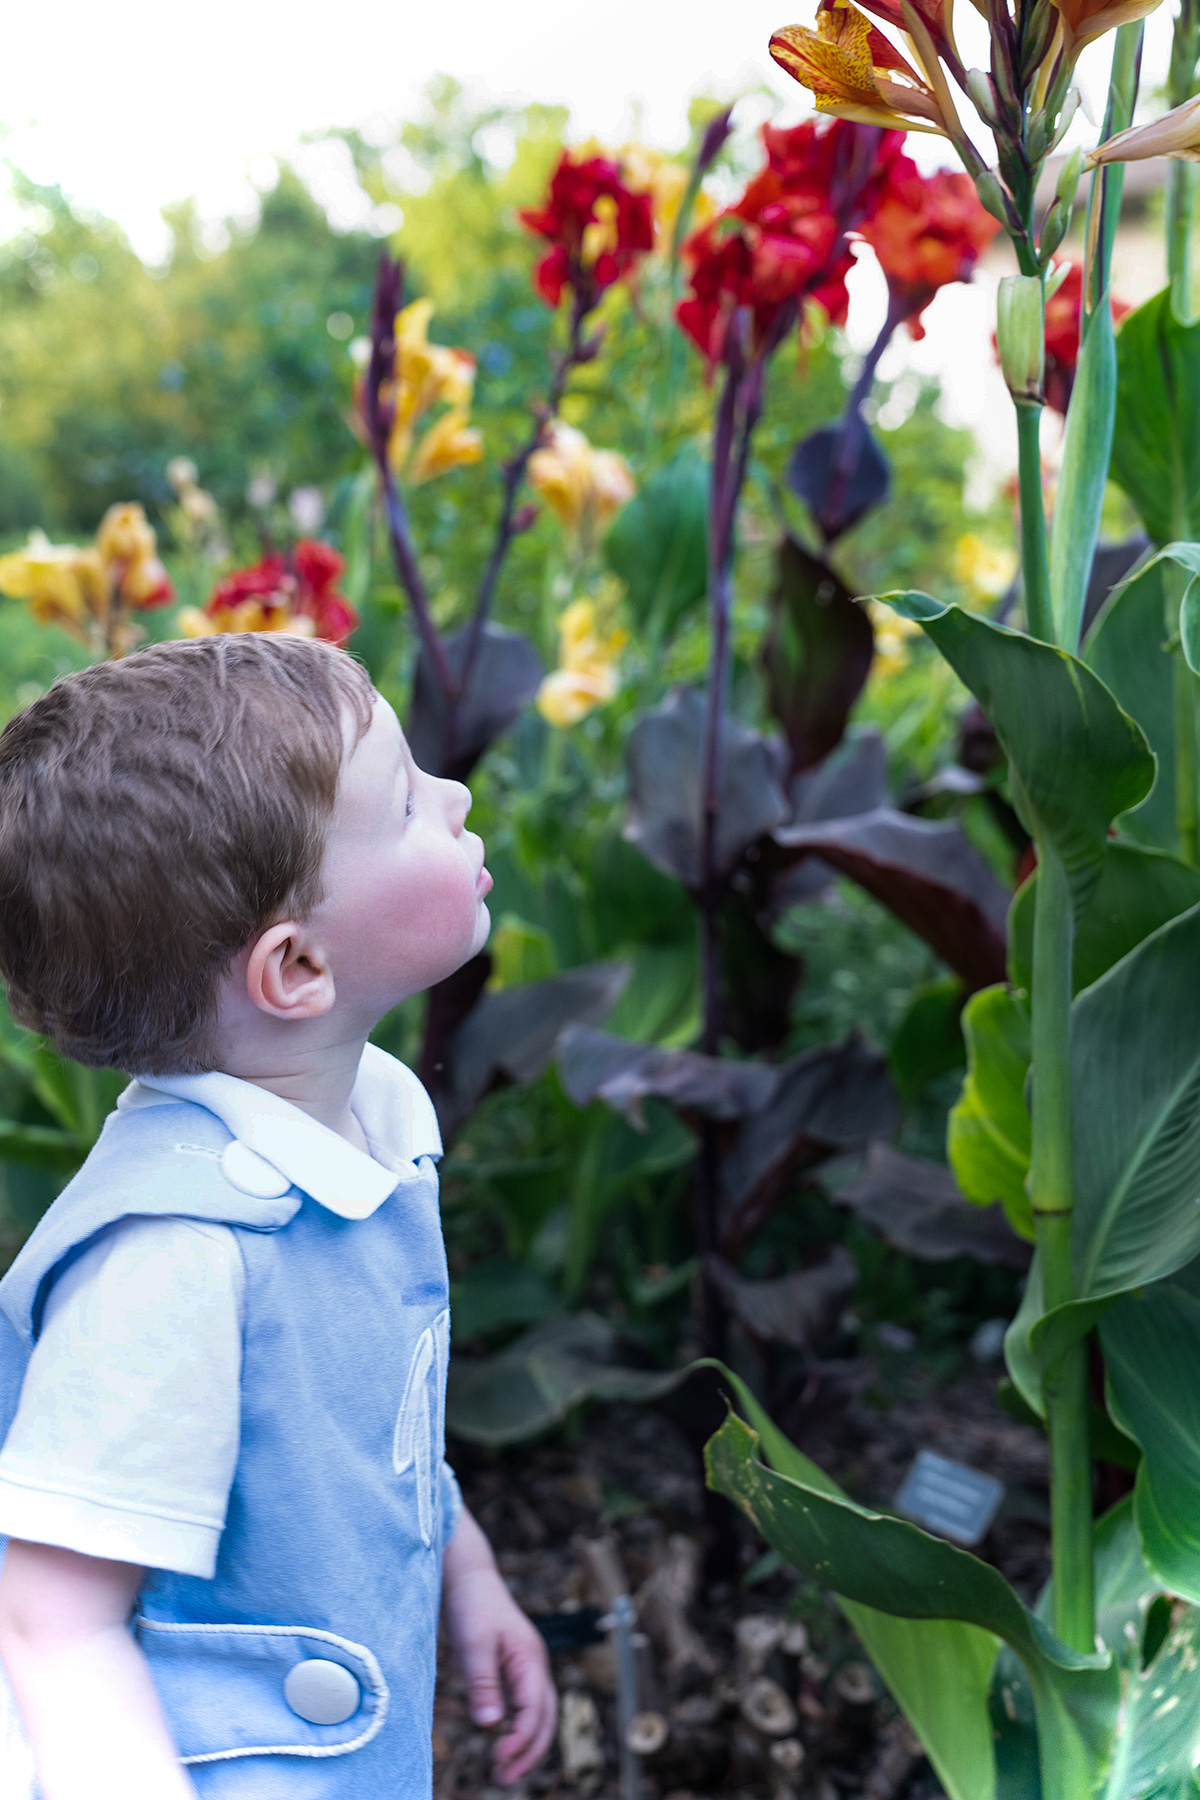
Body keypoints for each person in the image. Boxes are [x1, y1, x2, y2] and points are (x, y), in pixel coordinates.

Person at [0, 633, 556, 1798]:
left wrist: (465, 1571)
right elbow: (52, 1622)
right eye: (407, 801)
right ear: (297, 969)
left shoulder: (373, 1117)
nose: (455, 799)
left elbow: (366, 1425)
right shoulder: (173, 1263)